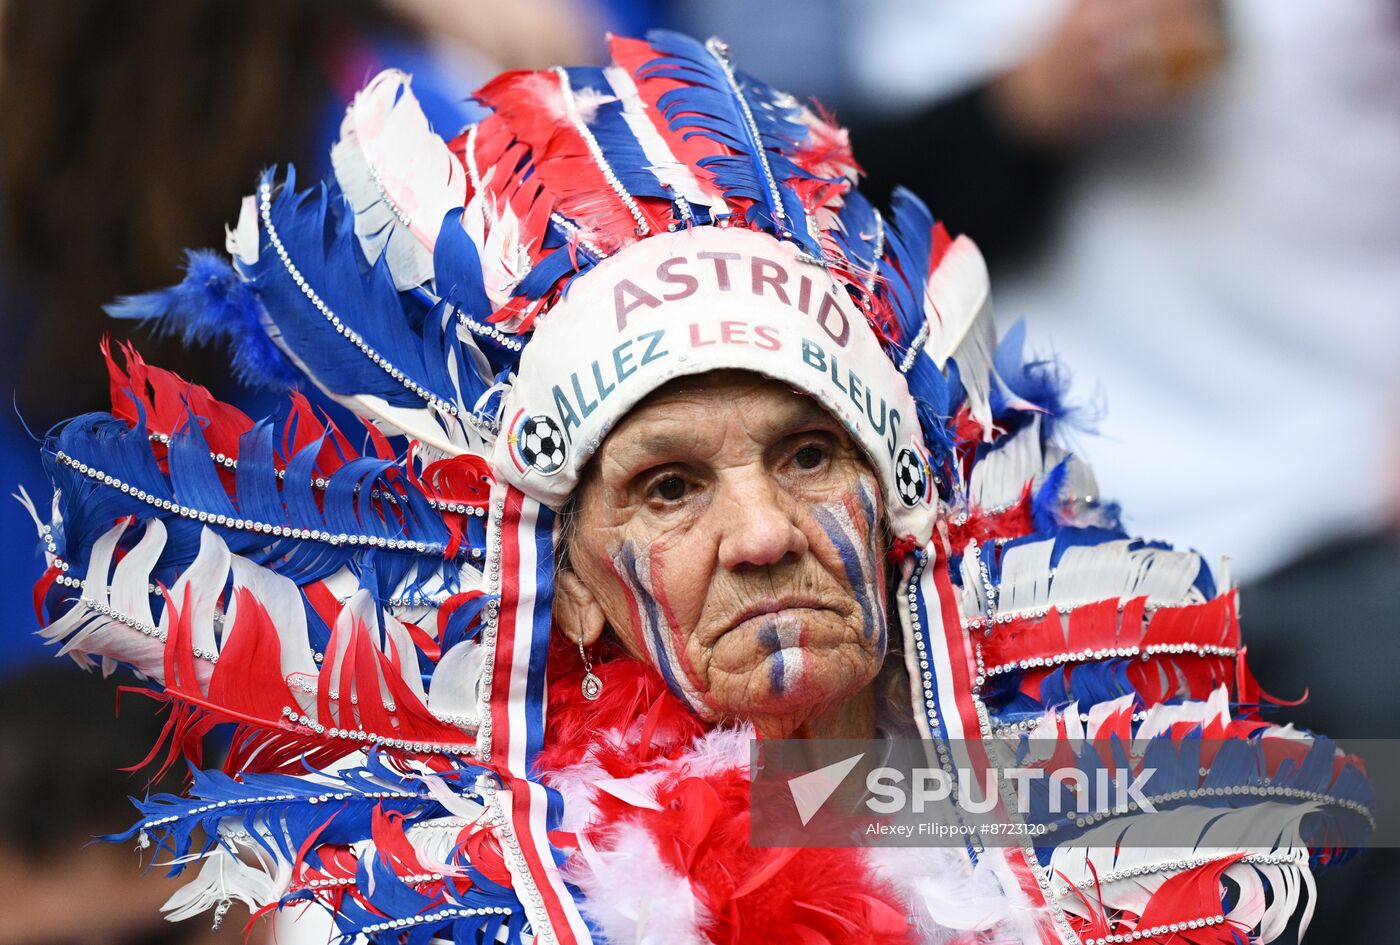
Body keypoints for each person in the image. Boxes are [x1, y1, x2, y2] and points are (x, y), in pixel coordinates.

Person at [22, 29, 1370, 945]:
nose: (765, 532)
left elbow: (1334, 803)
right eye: (668, 489)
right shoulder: (454, 888)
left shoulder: (1079, 794)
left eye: (807, 451)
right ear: (580, 595)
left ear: (902, 506)